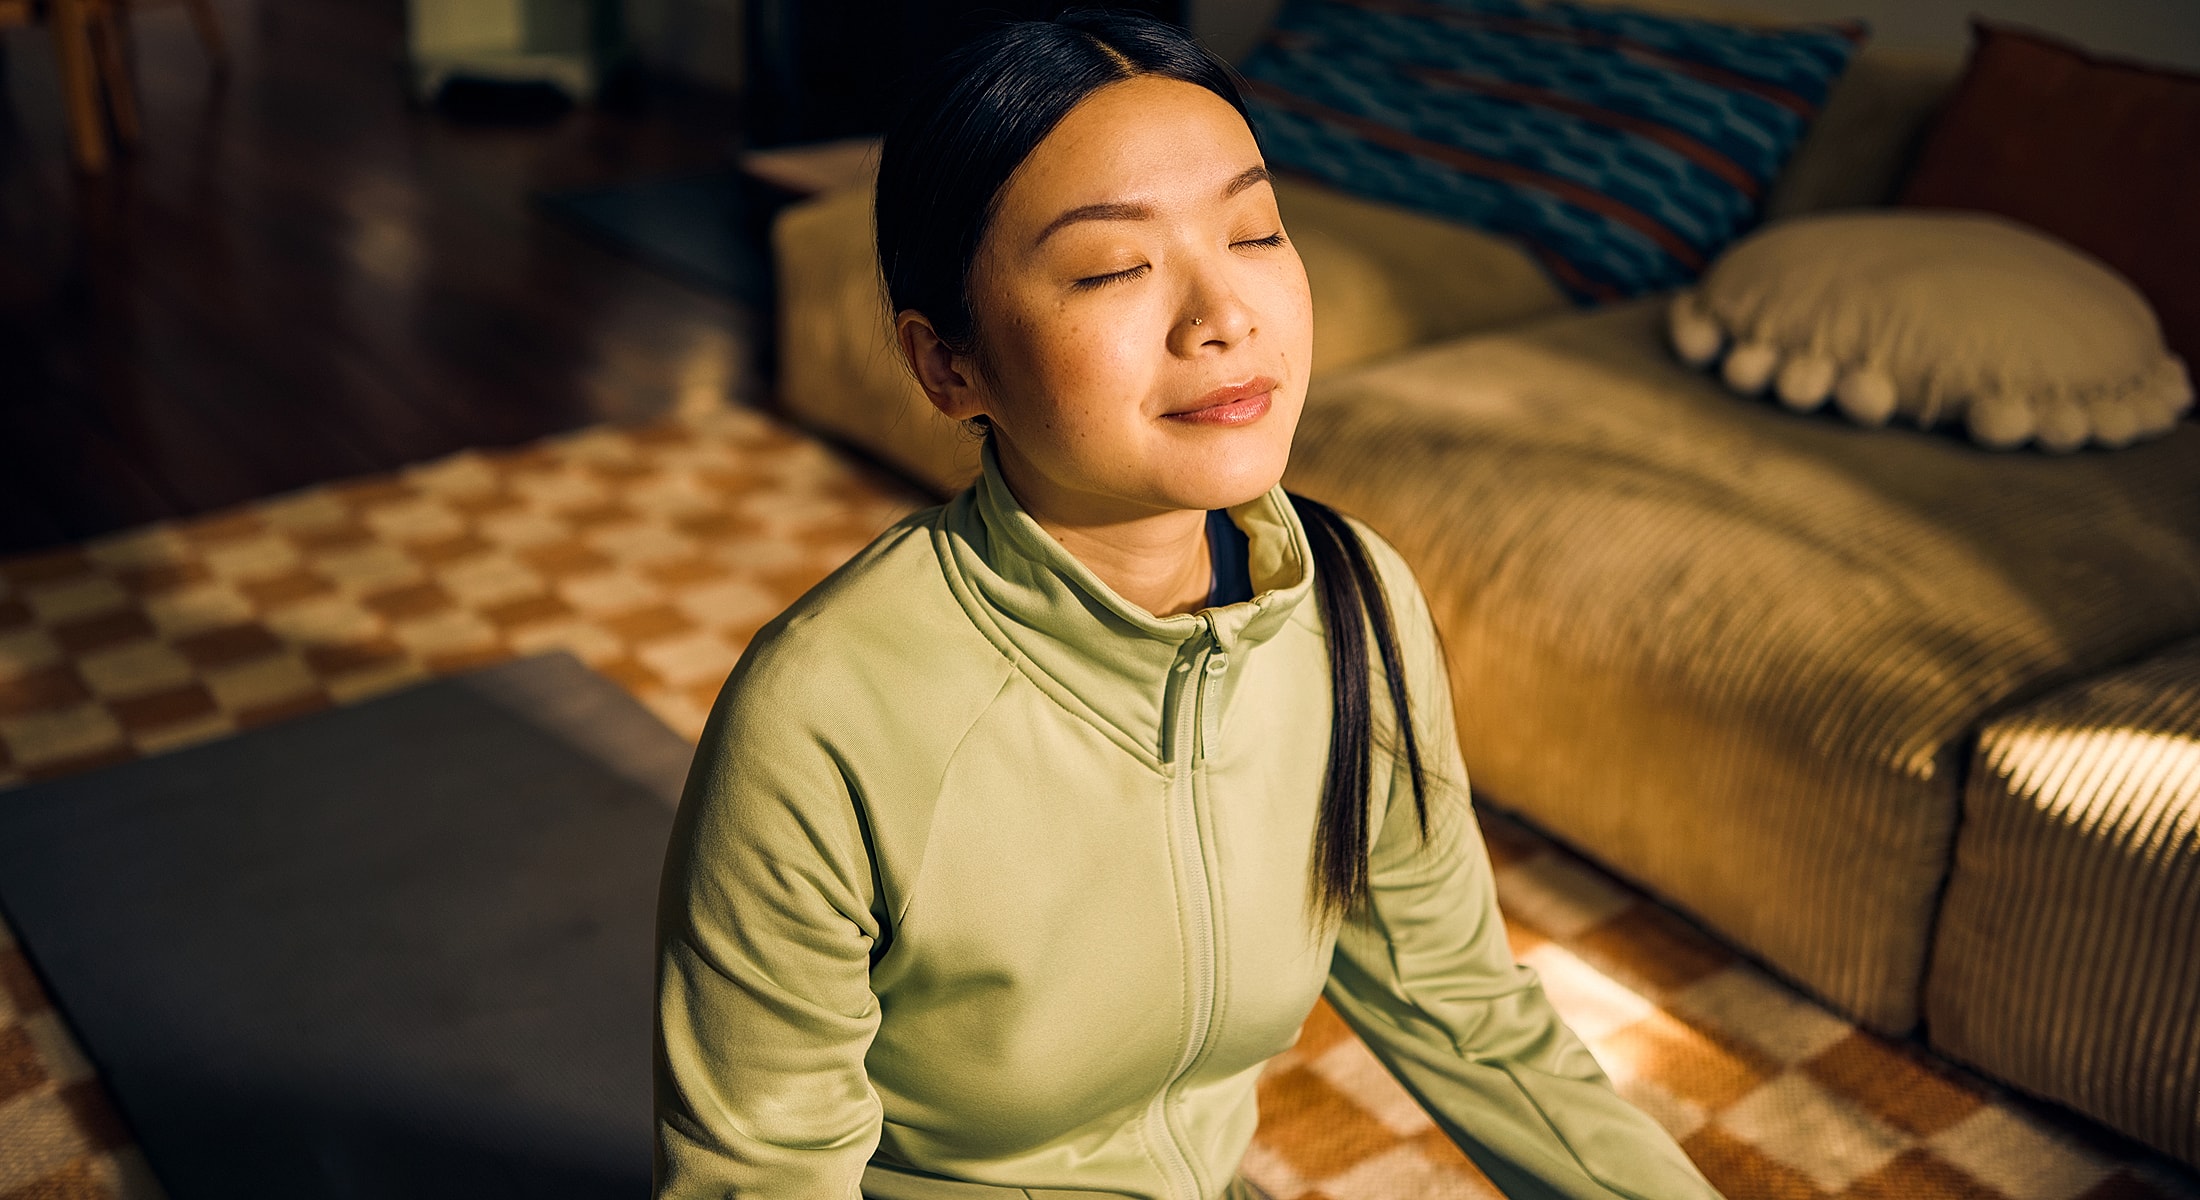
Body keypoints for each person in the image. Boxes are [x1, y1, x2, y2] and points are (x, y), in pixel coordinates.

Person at [652, 10, 1726, 1199]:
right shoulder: (820, 718)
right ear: (947, 365)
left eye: (1255, 233)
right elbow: (758, 1178)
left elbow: (1466, 1012)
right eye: (1114, 266)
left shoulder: (1353, 606)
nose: (1224, 317)